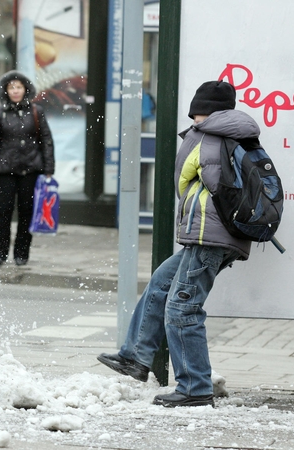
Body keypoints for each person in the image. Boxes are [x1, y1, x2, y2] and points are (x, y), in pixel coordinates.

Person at [97, 81, 258, 408]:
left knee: (183, 307)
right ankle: (137, 356)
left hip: (209, 235)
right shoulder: (237, 134)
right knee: (161, 283)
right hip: (219, 233)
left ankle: (196, 387)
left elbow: (187, 179)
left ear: (203, 110)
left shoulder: (207, 136)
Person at [0, 71, 55, 267]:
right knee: (3, 212)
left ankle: (22, 254)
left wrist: (48, 168)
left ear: (26, 89)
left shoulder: (36, 111)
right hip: (6, 170)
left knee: (27, 212)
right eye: (11, 87)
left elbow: (46, 141)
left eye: (19, 87)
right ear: (6, 90)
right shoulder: (0, 112)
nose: (15, 91)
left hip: (30, 170)